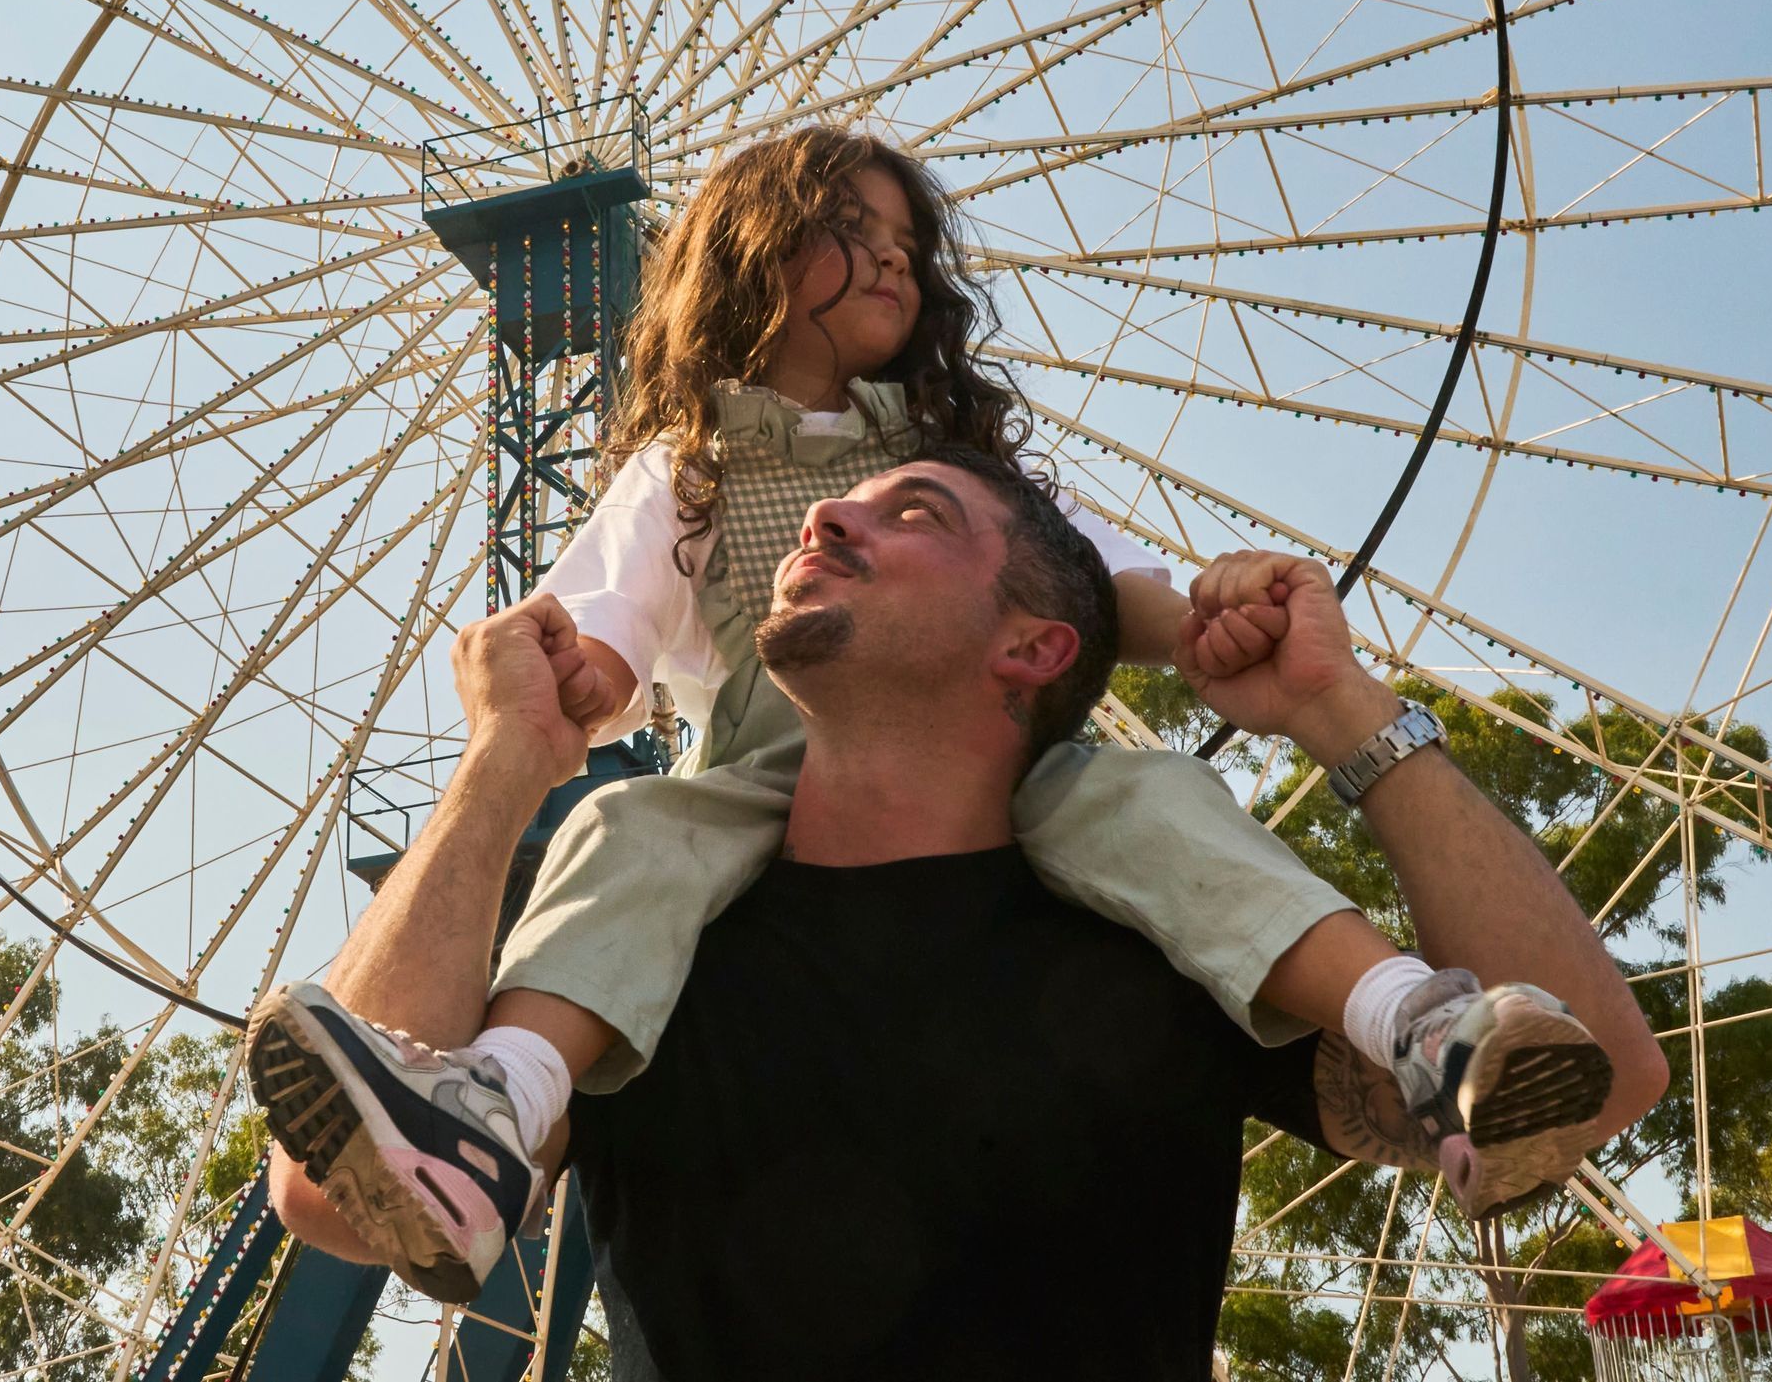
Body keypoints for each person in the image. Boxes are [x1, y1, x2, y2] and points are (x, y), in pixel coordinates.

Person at [251, 126, 1624, 1300]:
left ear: (1027, 640)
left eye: (906, 236)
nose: (896, 256)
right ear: (750, 259)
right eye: (845, 228)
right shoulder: (688, 475)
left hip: (1027, 775)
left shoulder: (964, 475)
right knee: (625, 827)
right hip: (747, 776)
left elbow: (1107, 590)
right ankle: (494, 1108)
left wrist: (1246, 646)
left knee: (1150, 801)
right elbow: (600, 640)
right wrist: (526, 738)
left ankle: (1415, 1024)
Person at [254, 451, 1668, 1377]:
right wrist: (503, 764)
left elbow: (1594, 1078)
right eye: (833, 507)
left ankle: (1418, 1022)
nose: (820, 512)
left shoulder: (1160, 933)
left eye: (910, 509)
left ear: (1035, 644)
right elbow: (333, 1194)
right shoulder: (644, 941)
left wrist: (1337, 710)